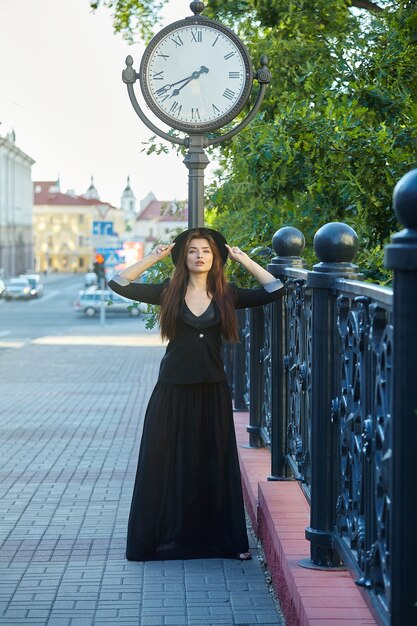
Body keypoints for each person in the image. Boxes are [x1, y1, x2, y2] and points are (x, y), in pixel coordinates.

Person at [108, 228, 284, 561]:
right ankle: (155, 541)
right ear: (183, 258)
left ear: (215, 257)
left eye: (206, 250)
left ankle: (226, 543)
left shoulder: (227, 294)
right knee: (162, 461)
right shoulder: (167, 292)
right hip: (172, 390)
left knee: (214, 463)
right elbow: (119, 283)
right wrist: (154, 257)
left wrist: (244, 260)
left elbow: (274, 289)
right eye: (192, 251)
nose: (199, 255)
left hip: (212, 391)